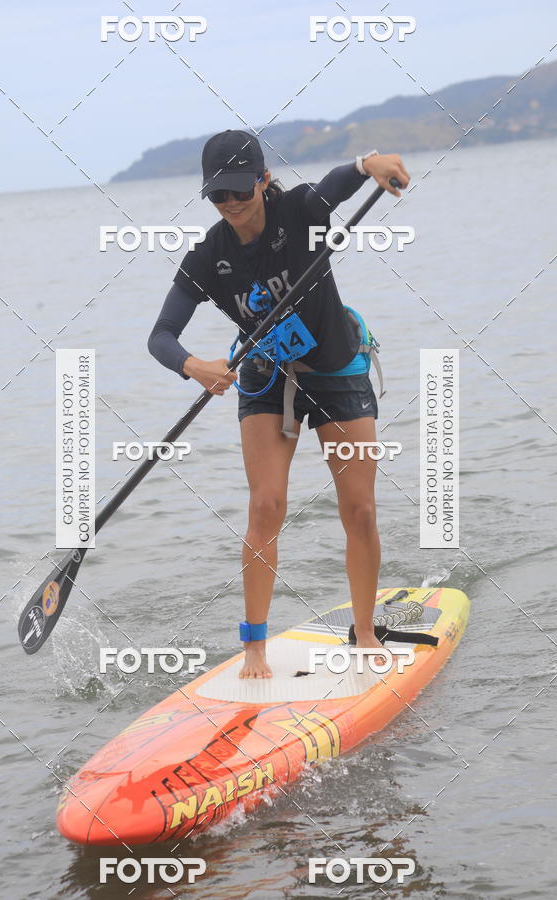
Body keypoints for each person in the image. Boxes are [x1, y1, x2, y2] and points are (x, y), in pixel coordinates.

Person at [148, 129, 409, 679]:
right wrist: (192, 364)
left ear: (263, 181)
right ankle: (254, 648)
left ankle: (364, 631)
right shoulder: (208, 257)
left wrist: (369, 163)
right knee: (266, 506)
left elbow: (339, 185)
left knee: (358, 509)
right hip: (267, 379)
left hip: (337, 368)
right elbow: (161, 336)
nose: (231, 204)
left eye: (241, 190)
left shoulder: (299, 211)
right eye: (218, 196)